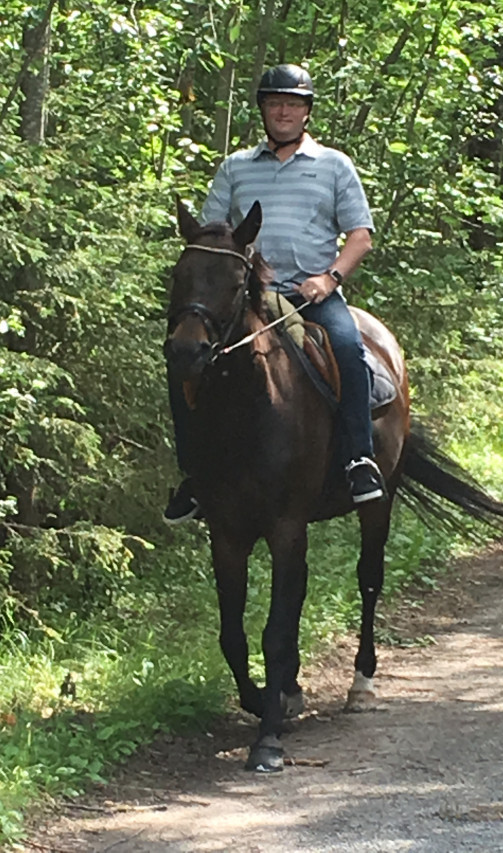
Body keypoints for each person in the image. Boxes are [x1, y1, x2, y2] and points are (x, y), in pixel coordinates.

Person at [164, 63, 385, 524]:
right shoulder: (236, 168)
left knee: (347, 348)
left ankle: (359, 460)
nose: (283, 111)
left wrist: (331, 279)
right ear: (263, 110)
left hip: (312, 294)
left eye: (292, 104)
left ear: (306, 113)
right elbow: (212, 233)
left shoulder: (333, 166)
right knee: (184, 359)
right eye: (274, 103)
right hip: (244, 297)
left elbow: (360, 235)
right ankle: (195, 474)